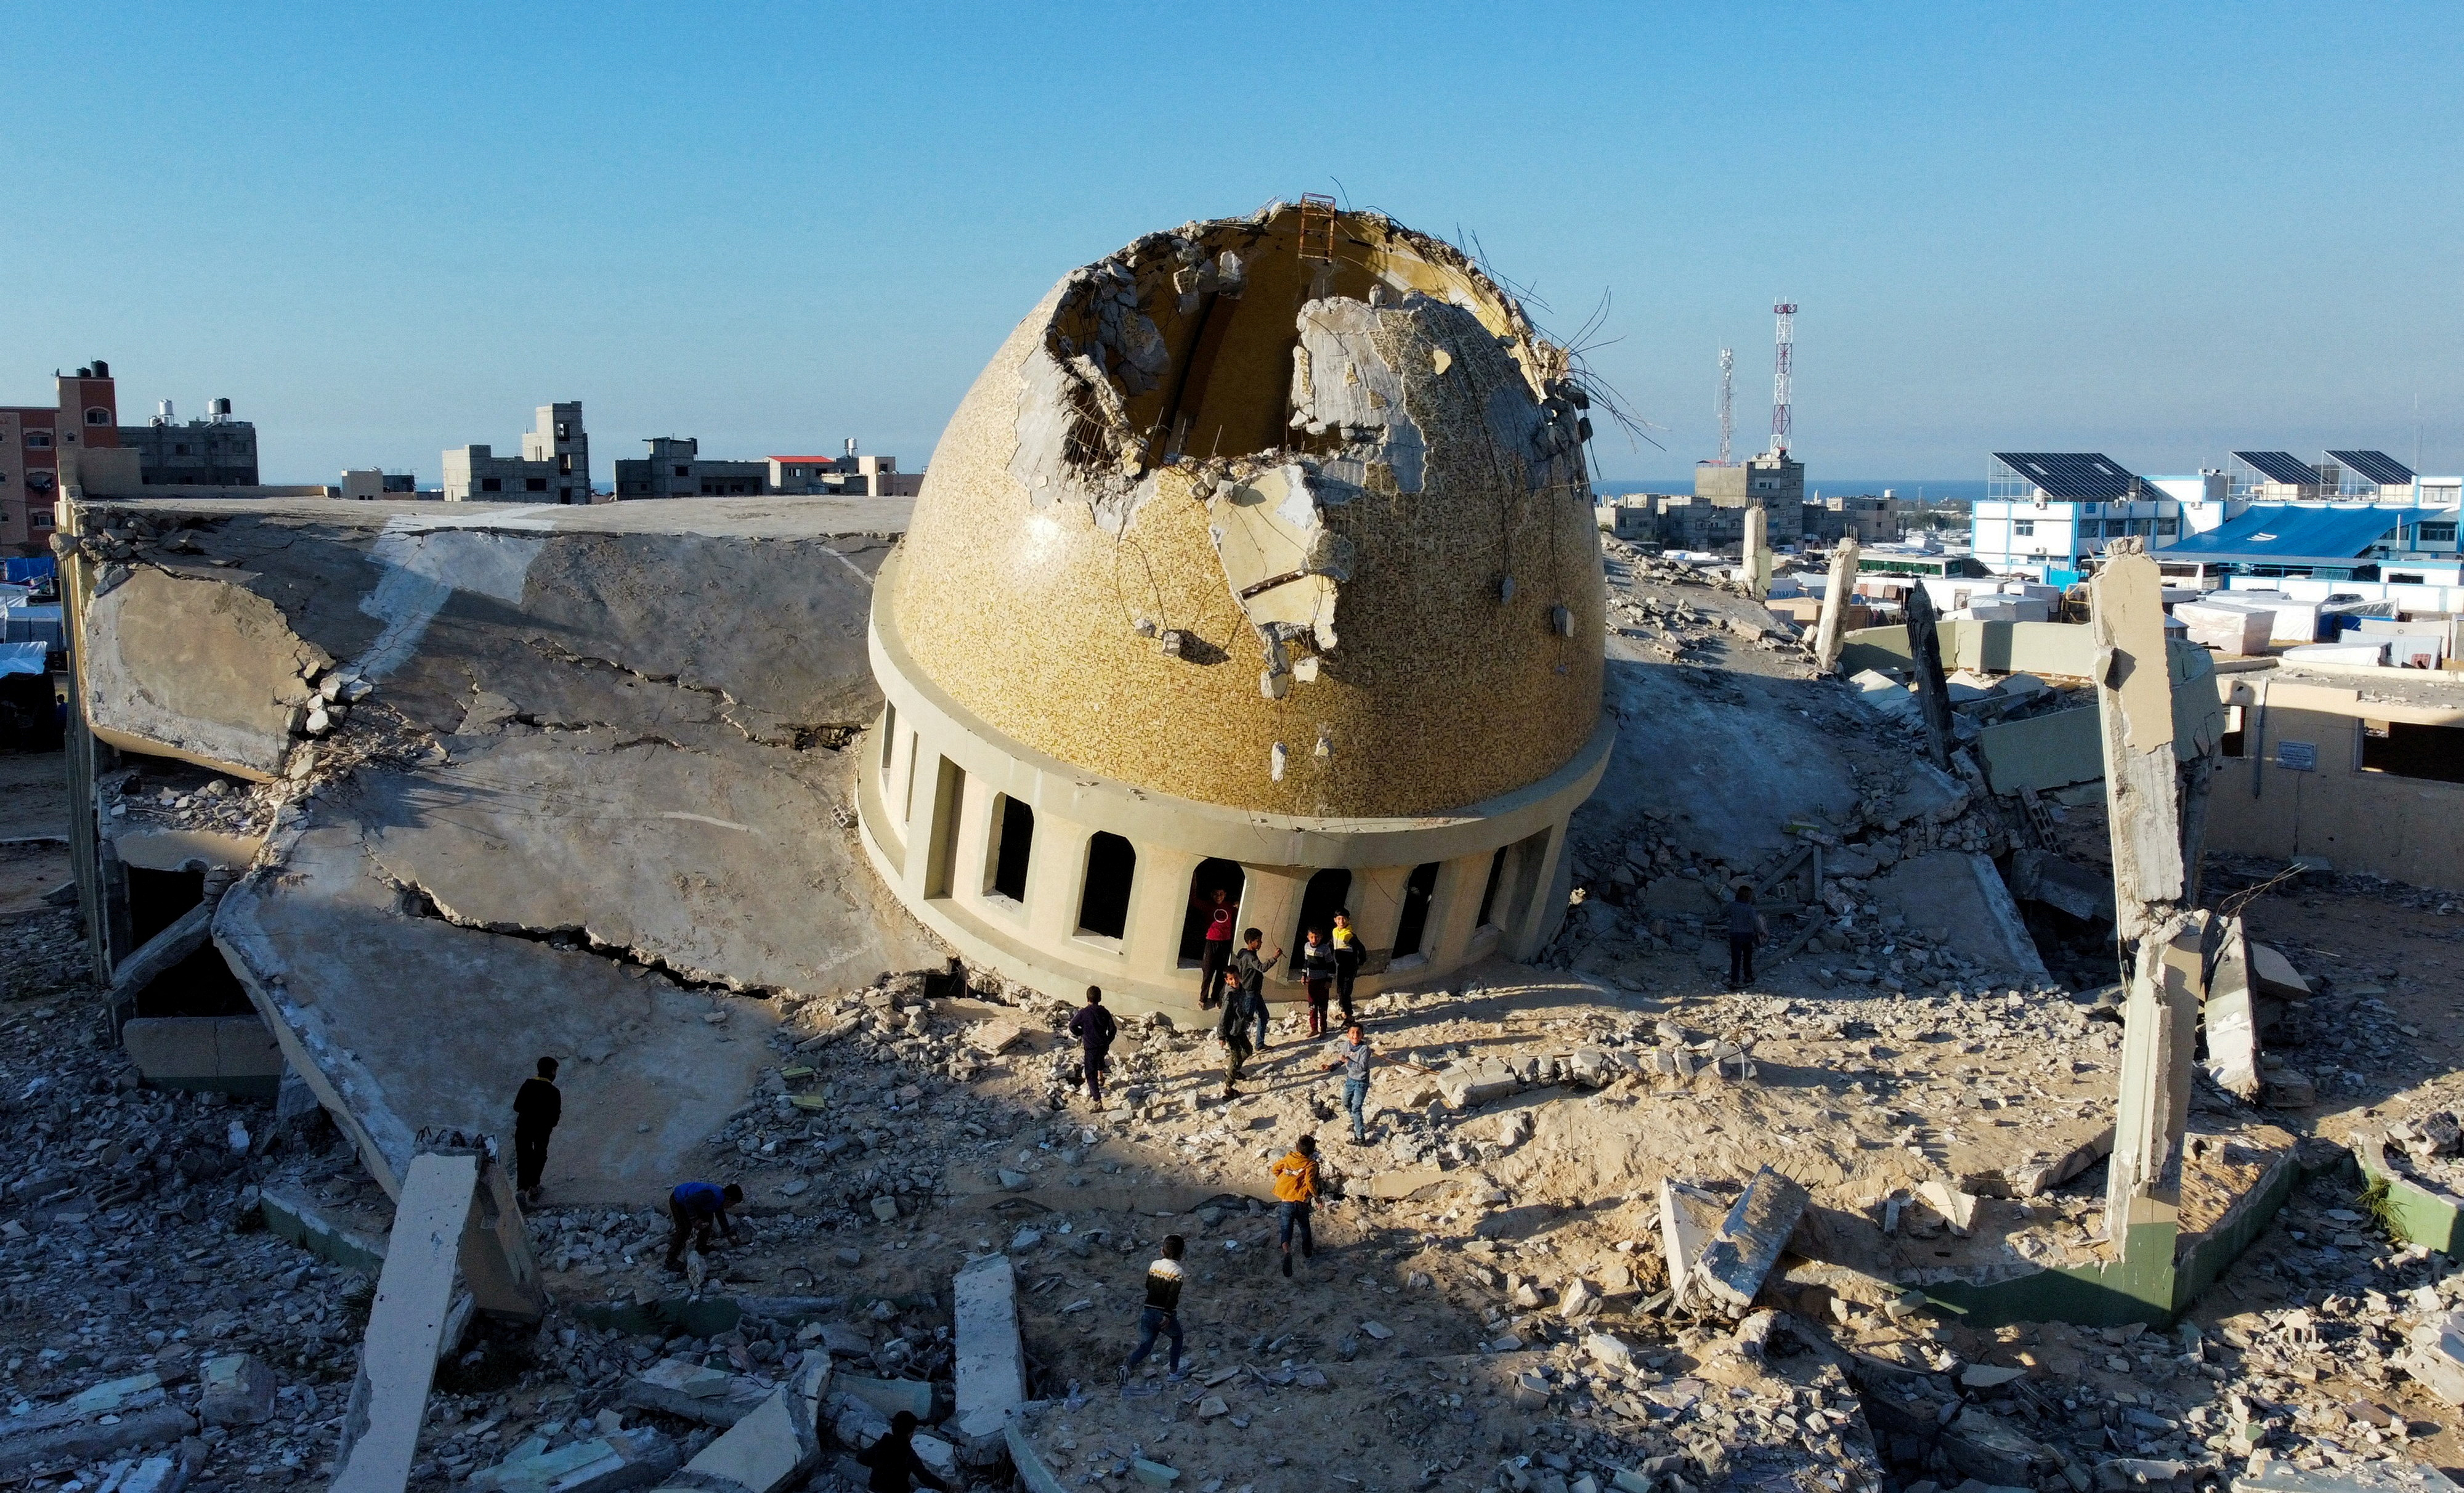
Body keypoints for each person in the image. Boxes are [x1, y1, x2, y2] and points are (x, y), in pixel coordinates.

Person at [1120, 1234, 1189, 1383]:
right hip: (1163, 1314)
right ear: (1181, 1254)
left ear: (1162, 1251)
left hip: (1148, 1311)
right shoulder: (1178, 1272)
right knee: (1177, 1338)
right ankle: (1173, 1373)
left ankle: (1127, 1367)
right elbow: (1172, 1296)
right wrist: (1167, 1315)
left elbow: (1148, 1285)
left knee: (1146, 1346)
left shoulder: (1154, 1265)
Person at [855, 1410, 950, 1493]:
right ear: (910, 1434)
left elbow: (860, 1458)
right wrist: (946, 1487)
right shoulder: (907, 1453)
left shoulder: (881, 1445)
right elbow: (924, 1477)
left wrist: (879, 1464)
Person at [663, 1179, 744, 1273]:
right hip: (679, 1200)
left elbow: (721, 1217)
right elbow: (688, 1201)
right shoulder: (710, 1196)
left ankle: (701, 1247)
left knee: (708, 1221)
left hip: (696, 1203)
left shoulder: (719, 1200)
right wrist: (694, 1219)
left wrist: (729, 1236)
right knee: (685, 1230)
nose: (732, 1206)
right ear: (729, 1199)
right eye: (733, 1204)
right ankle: (670, 1260)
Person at [511, 1056, 561, 1205]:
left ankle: (521, 1189)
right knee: (539, 1156)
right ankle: (534, 1187)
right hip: (542, 1130)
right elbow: (555, 1118)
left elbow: (517, 1107)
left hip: (523, 1127)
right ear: (552, 1071)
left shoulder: (527, 1085)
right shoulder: (554, 1092)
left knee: (523, 1157)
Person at [1270, 1135, 1319, 1278]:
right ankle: (1308, 1252)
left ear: (1297, 1147)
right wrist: (1316, 1197)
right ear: (1313, 1151)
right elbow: (1310, 1182)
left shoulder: (1289, 1158)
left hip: (1286, 1201)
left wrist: (1285, 1180)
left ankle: (1287, 1251)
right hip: (1301, 1202)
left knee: (1286, 1229)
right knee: (1305, 1227)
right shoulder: (1311, 1165)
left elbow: (1275, 1169)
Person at [1228, 929, 1282, 1052]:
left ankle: (1259, 1044)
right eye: (1258, 941)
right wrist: (1275, 957)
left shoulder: (1247, 954)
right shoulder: (1249, 956)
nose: (1261, 943)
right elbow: (1262, 968)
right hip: (1250, 993)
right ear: (1250, 942)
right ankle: (1238, 1047)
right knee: (1245, 1021)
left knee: (1264, 1015)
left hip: (1255, 992)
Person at [1068, 986, 1119, 1107]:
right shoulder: (1105, 1012)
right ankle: (1101, 1077)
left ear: (1087, 999)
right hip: (1103, 1045)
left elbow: (1072, 1026)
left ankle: (1097, 1100)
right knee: (1100, 1059)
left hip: (1091, 1048)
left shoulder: (1083, 1013)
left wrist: (1082, 1033)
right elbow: (1113, 1029)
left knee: (1090, 1074)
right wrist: (1108, 1040)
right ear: (1100, 999)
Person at [1326, 1023, 1372, 1143]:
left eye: (1358, 1033)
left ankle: (1360, 1137)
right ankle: (1356, 1121)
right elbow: (1341, 1060)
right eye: (1353, 1033)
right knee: (1345, 1102)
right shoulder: (1347, 1045)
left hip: (1361, 1082)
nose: (1355, 1036)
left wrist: (1347, 1060)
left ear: (1362, 1035)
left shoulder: (1365, 1049)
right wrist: (1331, 1067)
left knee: (1356, 1107)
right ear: (1348, 1035)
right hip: (1350, 1080)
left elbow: (1361, 1067)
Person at [1194, 888, 1236, 1009]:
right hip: (1211, 942)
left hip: (1225, 943)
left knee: (1221, 973)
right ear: (1211, 895)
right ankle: (1203, 998)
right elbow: (1194, 901)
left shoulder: (1230, 907)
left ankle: (1216, 997)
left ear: (1225, 895)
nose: (1218, 896)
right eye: (1216, 894)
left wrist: (1237, 905)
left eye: (1221, 894)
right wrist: (1195, 883)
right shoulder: (1208, 905)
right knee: (1208, 971)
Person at [1217, 971, 1255, 1097]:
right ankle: (1228, 1087)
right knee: (1235, 1058)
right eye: (1231, 979)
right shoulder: (1229, 996)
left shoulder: (1241, 990)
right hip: (1231, 1032)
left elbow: (1240, 1009)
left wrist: (1247, 1017)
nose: (1234, 981)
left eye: (1236, 978)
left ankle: (1234, 1070)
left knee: (1248, 1050)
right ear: (1227, 981)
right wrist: (1221, 1036)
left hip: (1239, 1029)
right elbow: (1223, 1018)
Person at [1725, 882, 1769, 991]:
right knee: (1747, 957)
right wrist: (1761, 932)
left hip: (1735, 935)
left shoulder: (1732, 905)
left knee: (1736, 959)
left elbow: (1722, 913)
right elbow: (1755, 922)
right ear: (1749, 897)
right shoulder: (1750, 908)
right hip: (1747, 935)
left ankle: (1734, 981)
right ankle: (1748, 977)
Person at [1299, 929, 1336, 1038]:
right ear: (1308, 937)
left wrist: (1329, 980)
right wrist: (1304, 975)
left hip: (1322, 981)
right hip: (1312, 980)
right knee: (1312, 1006)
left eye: (1317, 937)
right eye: (1312, 937)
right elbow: (1306, 962)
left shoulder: (1325, 949)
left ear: (1321, 937)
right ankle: (1314, 1028)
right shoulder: (1307, 946)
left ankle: (1323, 1029)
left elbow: (1331, 965)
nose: (1314, 940)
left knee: (1323, 1007)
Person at [1330, 910, 1362, 1026]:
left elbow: (1361, 949)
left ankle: (1349, 1016)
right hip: (1340, 966)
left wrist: (1360, 962)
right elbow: (1332, 944)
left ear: (1348, 920)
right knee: (1340, 989)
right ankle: (1344, 1011)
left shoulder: (1349, 935)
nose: (1341, 921)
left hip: (1350, 967)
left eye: (1344, 919)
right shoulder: (1335, 932)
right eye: (1339, 919)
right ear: (1335, 920)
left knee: (1345, 991)